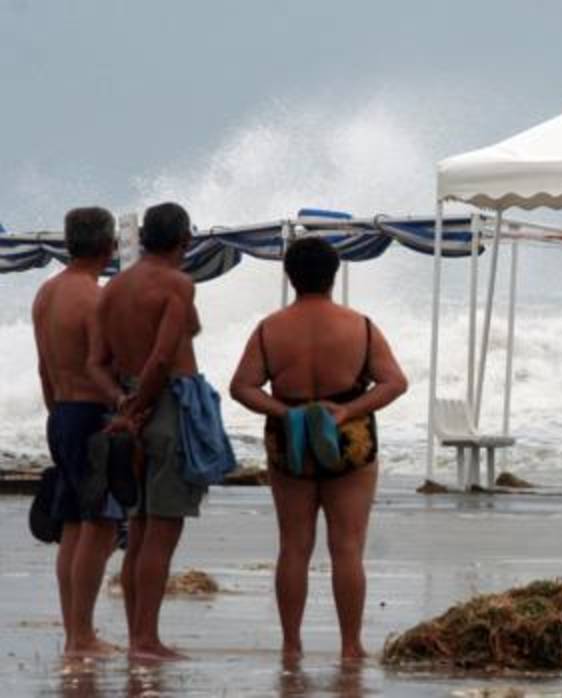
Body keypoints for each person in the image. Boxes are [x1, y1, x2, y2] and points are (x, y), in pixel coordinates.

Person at [230, 237, 407, 661]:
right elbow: (394, 382)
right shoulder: (359, 325)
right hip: (348, 435)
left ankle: (291, 644)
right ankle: (350, 646)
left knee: (293, 545)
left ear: (289, 275)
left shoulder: (270, 328)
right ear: (335, 275)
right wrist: (348, 411)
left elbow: (242, 386)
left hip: (289, 438)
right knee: (347, 547)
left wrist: (284, 412)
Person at [90, 202, 206, 661]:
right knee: (162, 528)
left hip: (127, 403)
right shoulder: (177, 283)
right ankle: (145, 639)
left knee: (137, 527)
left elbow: (97, 364)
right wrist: (141, 408)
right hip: (166, 404)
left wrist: (122, 404)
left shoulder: (113, 289)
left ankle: (140, 634)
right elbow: (165, 355)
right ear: (184, 241)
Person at [31, 206, 123, 658]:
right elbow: (107, 363)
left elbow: (44, 366)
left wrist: (56, 412)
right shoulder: (95, 297)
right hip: (91, 413)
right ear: (109, 247)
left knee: (71, 525)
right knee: (99, 524)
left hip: (62, 411)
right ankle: (82, 636)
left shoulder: (46, 293)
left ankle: (75, 633)